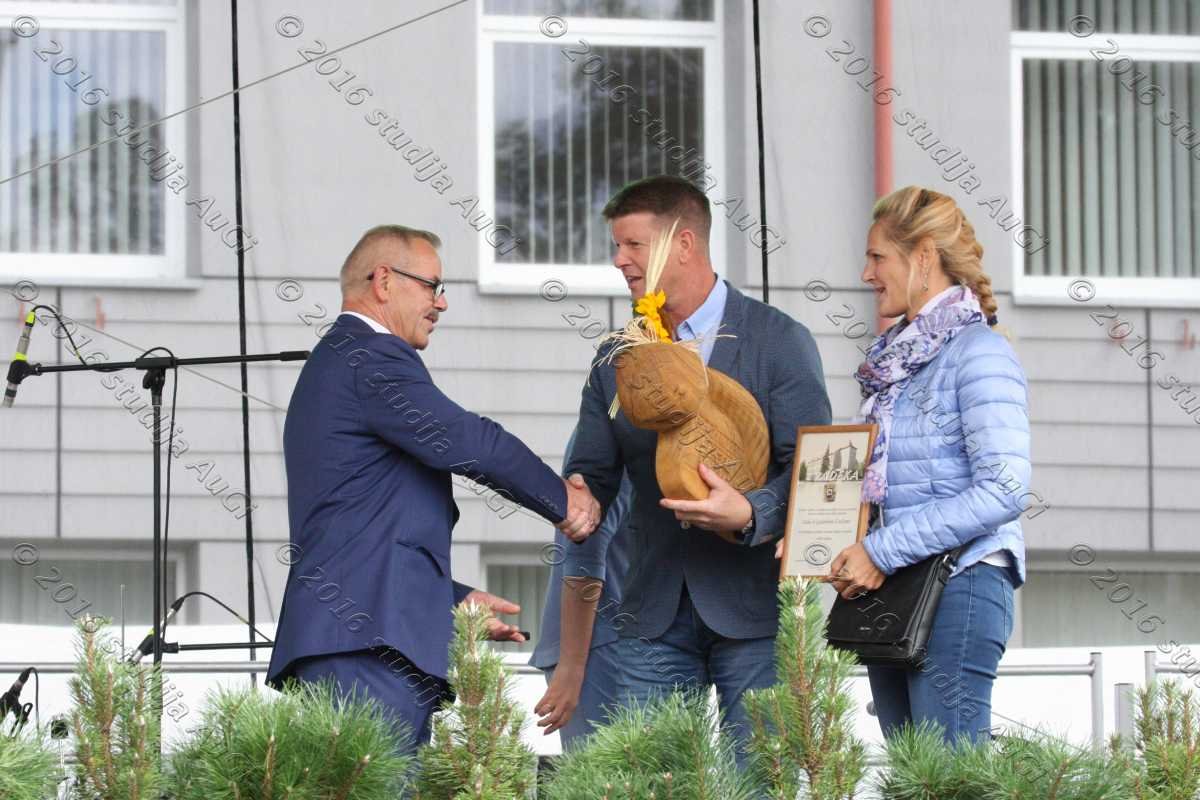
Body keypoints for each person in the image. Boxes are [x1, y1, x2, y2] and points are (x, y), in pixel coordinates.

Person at [266, 224, 600, 755]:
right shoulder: (369, 355)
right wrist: (564, 501)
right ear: (383, 281)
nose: (441, 302)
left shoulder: (344, 360)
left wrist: (450, 599)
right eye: (432, 286)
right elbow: (466, 440)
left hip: (358, 641)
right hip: (365, 648)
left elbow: (362, 528)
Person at [564, 175, 832, 760]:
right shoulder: (618, 356)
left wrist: (750, 514)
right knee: (652, 782)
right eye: (617, 246)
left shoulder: (779, 341)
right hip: (653, 615)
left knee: (758, 784)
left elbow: (815, 476)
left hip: (757, 614)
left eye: (634, 245)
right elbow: (592, 473)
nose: (620, 260)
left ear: (684, 244)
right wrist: (575, 495)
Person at [825, 186, 1030, 744]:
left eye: (877, 257)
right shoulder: (896, 362)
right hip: (895, 589)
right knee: (914, 775)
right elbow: (889, 487)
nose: (866, 273)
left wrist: (879, 550)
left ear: (922, 258)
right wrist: (819, 539)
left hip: (961, 584)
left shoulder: (980, 353)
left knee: (949, 777)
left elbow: (1004, 489)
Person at [531, 430, 633, 749]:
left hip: (617, 643)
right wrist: (572, 666)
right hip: (599, 646)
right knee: (604, 774)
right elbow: (586, 552)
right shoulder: (616, 429)